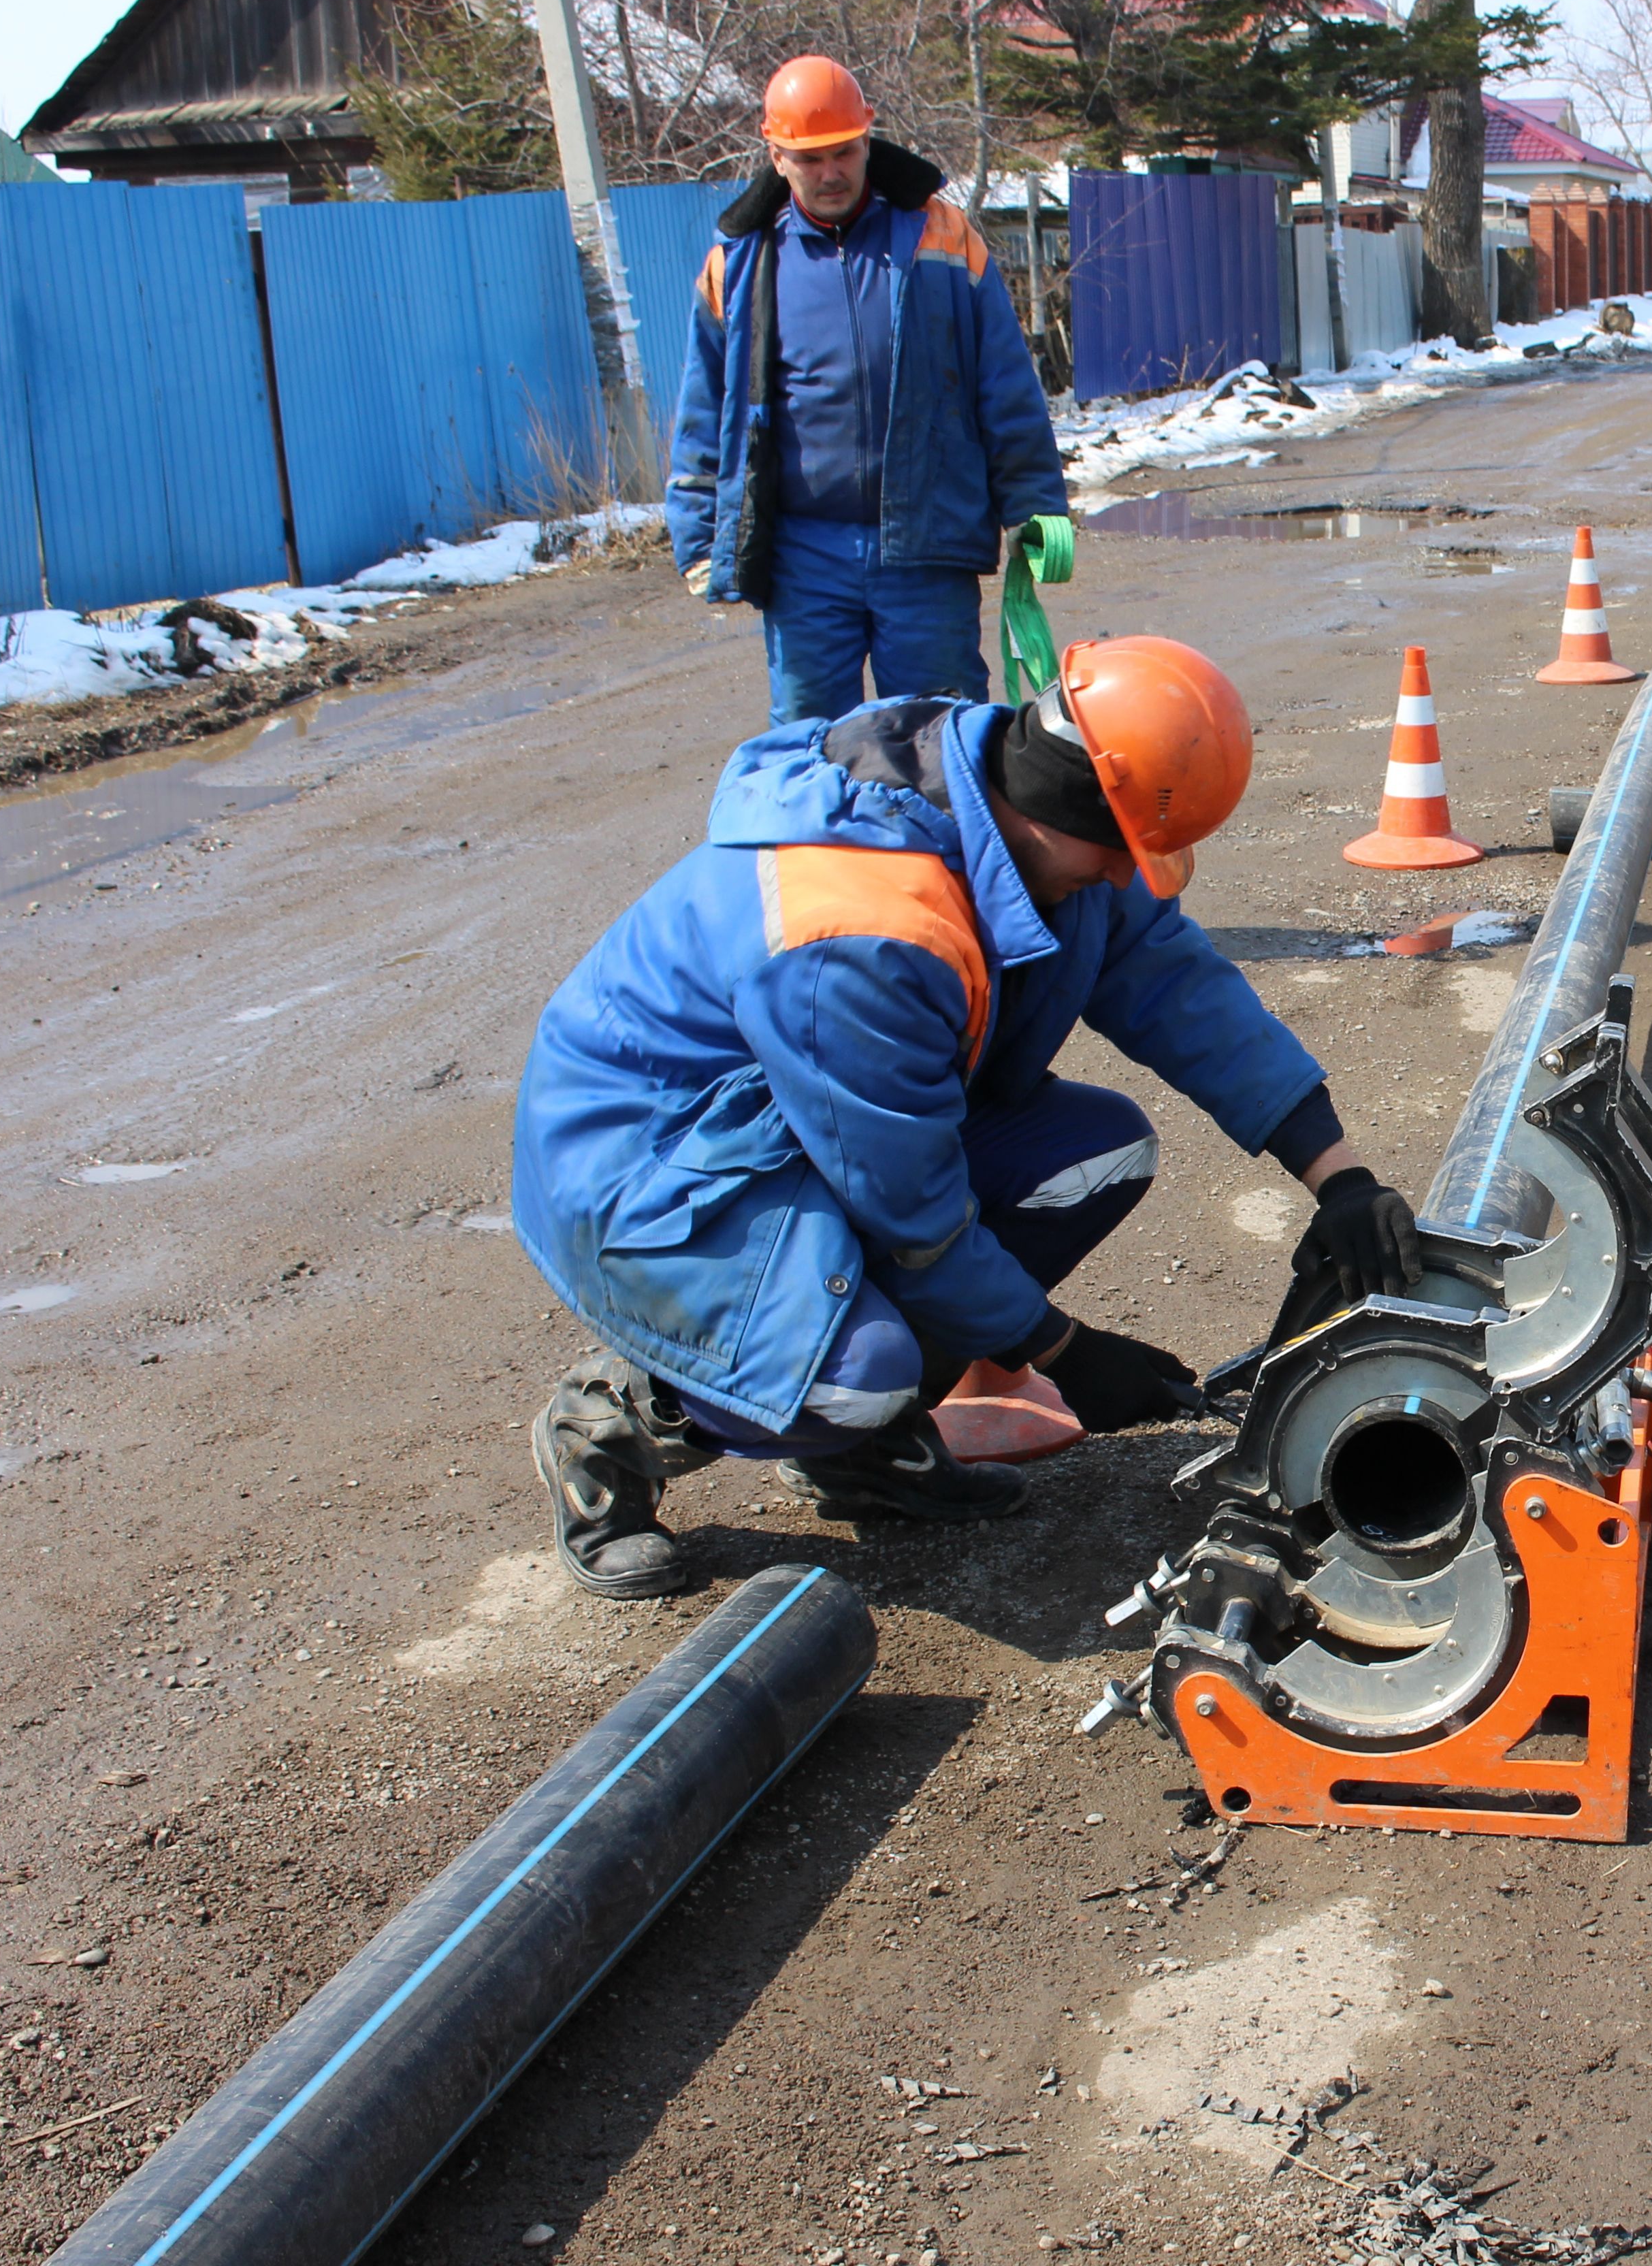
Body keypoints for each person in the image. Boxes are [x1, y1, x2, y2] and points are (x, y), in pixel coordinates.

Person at [510, 638, 1427, 1600]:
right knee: (855, 1372)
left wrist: (1340, 1174)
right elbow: (912, 1213)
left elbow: (1179, 988)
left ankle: (858, 1455)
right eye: (1116, 851)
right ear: (1064, 802)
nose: (1122, 877)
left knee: (1095, 1155)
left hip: (801, 1131)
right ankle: (619, 1420)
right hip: (653, 1168)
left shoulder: (1029, 830)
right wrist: (1063, 1351)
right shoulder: (863, 929)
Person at [671, 54, 1077, 727]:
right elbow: (705, 408)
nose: (831, 172)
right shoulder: (739, 265)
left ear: (870, 138)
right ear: (775, 157)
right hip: (802, 554)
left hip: (927, 541)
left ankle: (947, 837)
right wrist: (697, 533)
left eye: (844, 151)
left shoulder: (942, 237)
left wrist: (1034, 505)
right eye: (810, 158)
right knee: (812, 744)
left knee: (943, 737)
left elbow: (1004, 383)